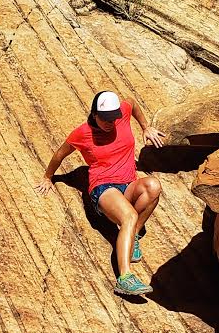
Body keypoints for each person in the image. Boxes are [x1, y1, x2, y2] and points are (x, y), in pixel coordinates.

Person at [36, 90, 164, 297]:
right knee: (129, 216)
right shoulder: (83, 133)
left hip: (128, 185)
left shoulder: (121, 113)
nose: (109, 122)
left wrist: (145, 126)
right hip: (104, 188)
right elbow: (60, 153)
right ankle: (124, 278)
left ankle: (134, 234)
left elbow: (131, 102)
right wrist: (49, 177)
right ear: (94, 114)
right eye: (104, 118)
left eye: (112, 118)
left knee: (153, 186)